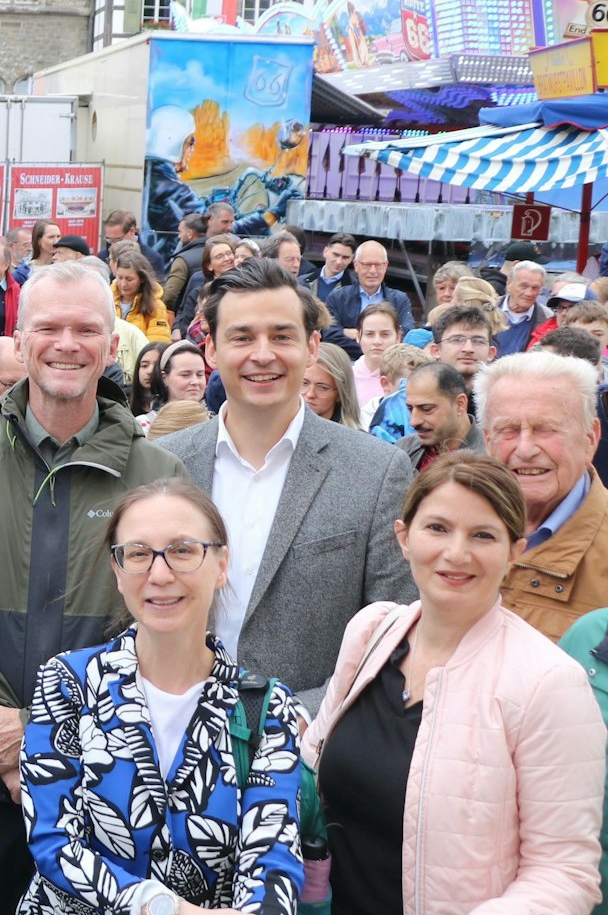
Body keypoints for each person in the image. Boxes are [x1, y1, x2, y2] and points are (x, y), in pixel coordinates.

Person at [0, 260, 187, 914]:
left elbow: (162, 628)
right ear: (20, 338)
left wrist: (39, 738)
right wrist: (7, 748)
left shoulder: (159, 472)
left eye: (86, 328)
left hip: (107, 787)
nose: (67, 343)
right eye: (49, 327)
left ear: (112, 344)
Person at [304, 455, 606, 915]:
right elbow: (312, 764)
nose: (456, 553)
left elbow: (565, 873)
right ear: (404, 537)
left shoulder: (549, 683)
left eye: (482, 535)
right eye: (438, 528)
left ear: (515, 551)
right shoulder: (371, 632)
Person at [18, 480, 306, 915]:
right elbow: (53, 839)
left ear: (222, 563)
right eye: (137, 554)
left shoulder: (266, 708)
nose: (159, 574)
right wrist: (163, 907)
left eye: (183, 550)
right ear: (117, 571)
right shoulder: (69, 683)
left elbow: (273, 860)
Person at [152, 260, 416, 707]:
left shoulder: (376, 472)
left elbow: (394, 637)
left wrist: (296, 720)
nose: (262, 354)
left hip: (309, 749)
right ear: (211, 350)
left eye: (281, 336)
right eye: (241, 337)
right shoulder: (164, 464)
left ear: (312, 346)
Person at [477, 351, 608, 639]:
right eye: (508, 430)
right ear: (487, 441)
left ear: (590, 439)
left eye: (546, 429)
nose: (525, 449)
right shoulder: (450, 530)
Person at [324, 240, 416, 340]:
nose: (373, 271)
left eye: (378, 265)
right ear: (356, 265)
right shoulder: (338, 297)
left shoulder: (399, 299)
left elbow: (408, 332)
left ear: (385, 266)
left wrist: (355, 334)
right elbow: (330, 334)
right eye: (366, 265)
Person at [398, 360, 482, 470]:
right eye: (410, 409)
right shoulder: (403, 449)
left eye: (426, 409)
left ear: (460, 404)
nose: (414, 421)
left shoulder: (491, 458)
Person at [110, 248, 172, 342]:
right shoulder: (107, 301)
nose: (123, 284)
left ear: (142, 279)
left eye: (129, 279)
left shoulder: (156, 306)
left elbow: (158, 342)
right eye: (120, 278)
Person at [301, 343, 364, 430]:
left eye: (322, 387)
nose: (310, 394)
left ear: (339, 394)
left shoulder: (357, 440)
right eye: (304, 383)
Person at [496, 259, 550, 357]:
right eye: (523, 286)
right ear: (509, 283)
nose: (529, 293)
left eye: (535, 288)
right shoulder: (485, 310)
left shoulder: (547, 319)